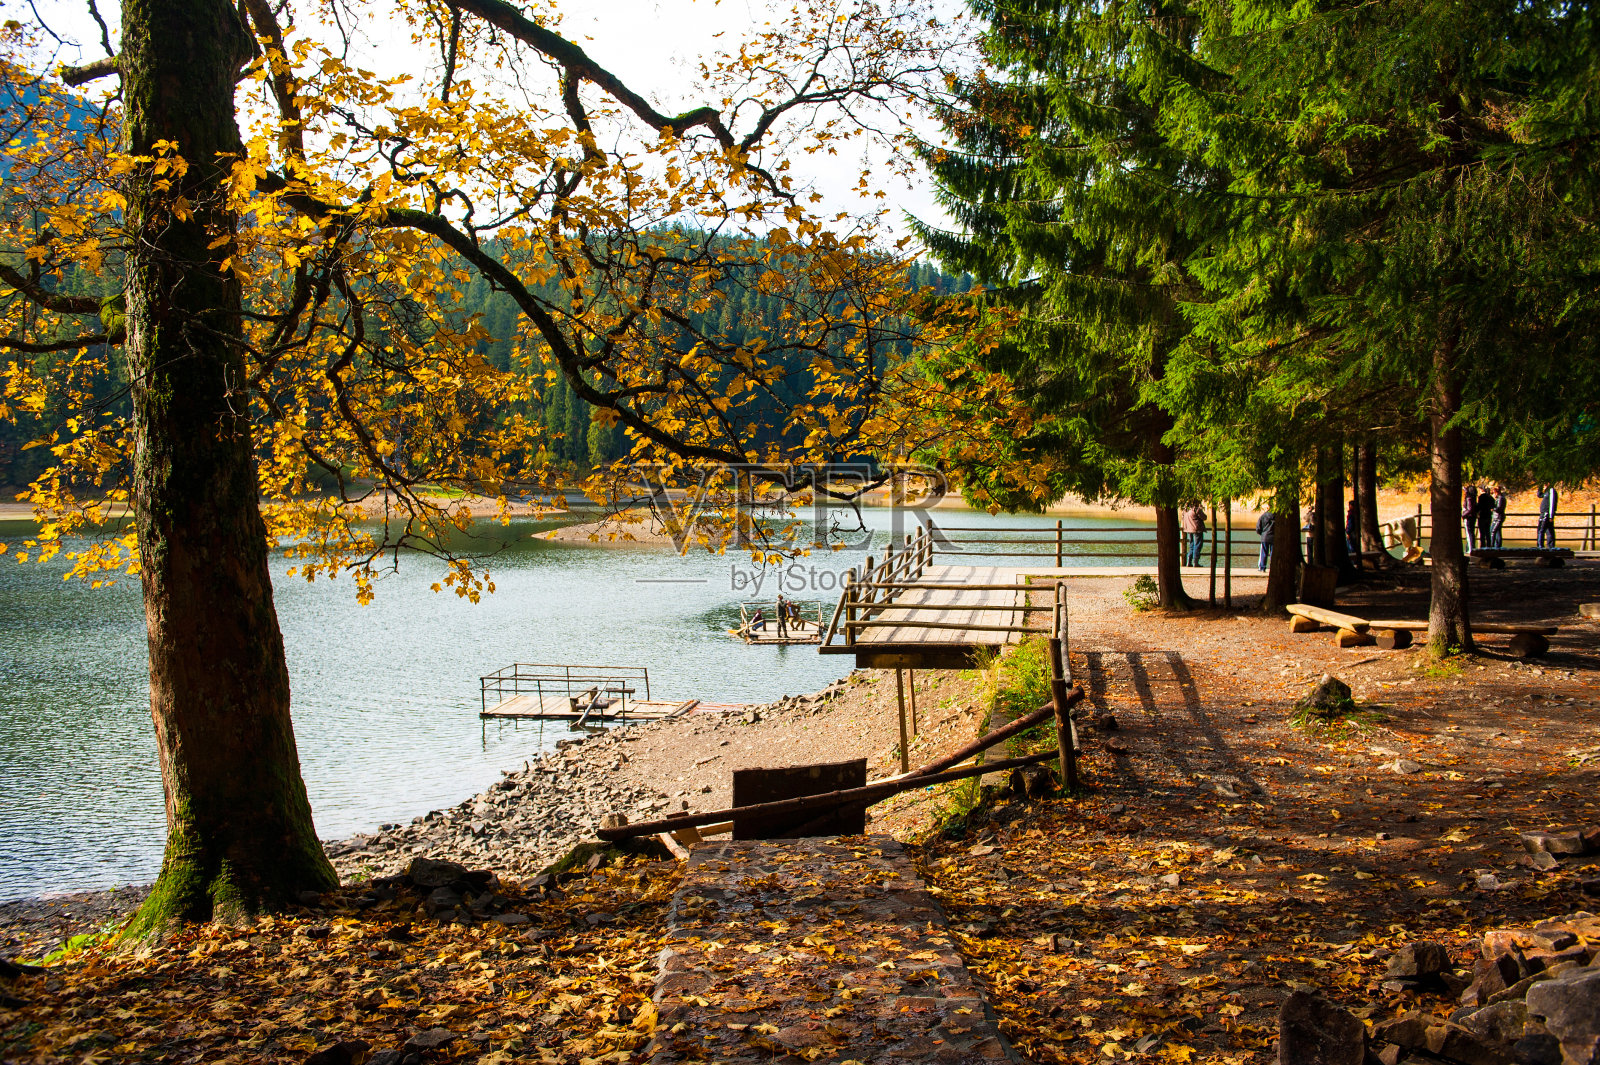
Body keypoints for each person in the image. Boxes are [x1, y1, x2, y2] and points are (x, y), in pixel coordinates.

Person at [1538, 484, 1559, 548]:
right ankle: (1550, 546)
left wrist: (1551, 516)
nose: (1544, 485)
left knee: (1541, 530)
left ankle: (1540, 546)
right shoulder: (1546, 492)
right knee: (1549, 530)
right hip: (1543, 513)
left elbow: (1552, 503)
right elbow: (1539, 495)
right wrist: (1540, 487)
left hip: (1547, 514)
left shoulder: (1551, 491)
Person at [1475, 485, 1495, 552]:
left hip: (1482, 516)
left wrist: (1476, 510)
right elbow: (1493, 505)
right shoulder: (1491, 498)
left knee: (1482, 533)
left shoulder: (1481, 497)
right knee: (1487, 532)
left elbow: (1479, 506)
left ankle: (1482, 547)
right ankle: (1489, 546)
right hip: (1488, 515)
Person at [1462, 485, 1478, 551]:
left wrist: (1463, 515)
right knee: (1471, 533)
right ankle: (1471, 548)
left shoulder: (1469, 498)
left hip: (1468, 517)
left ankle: (1471, 549)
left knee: (1469, 534)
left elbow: (1469, 509)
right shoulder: (1474, 497)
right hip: (1472, 517)